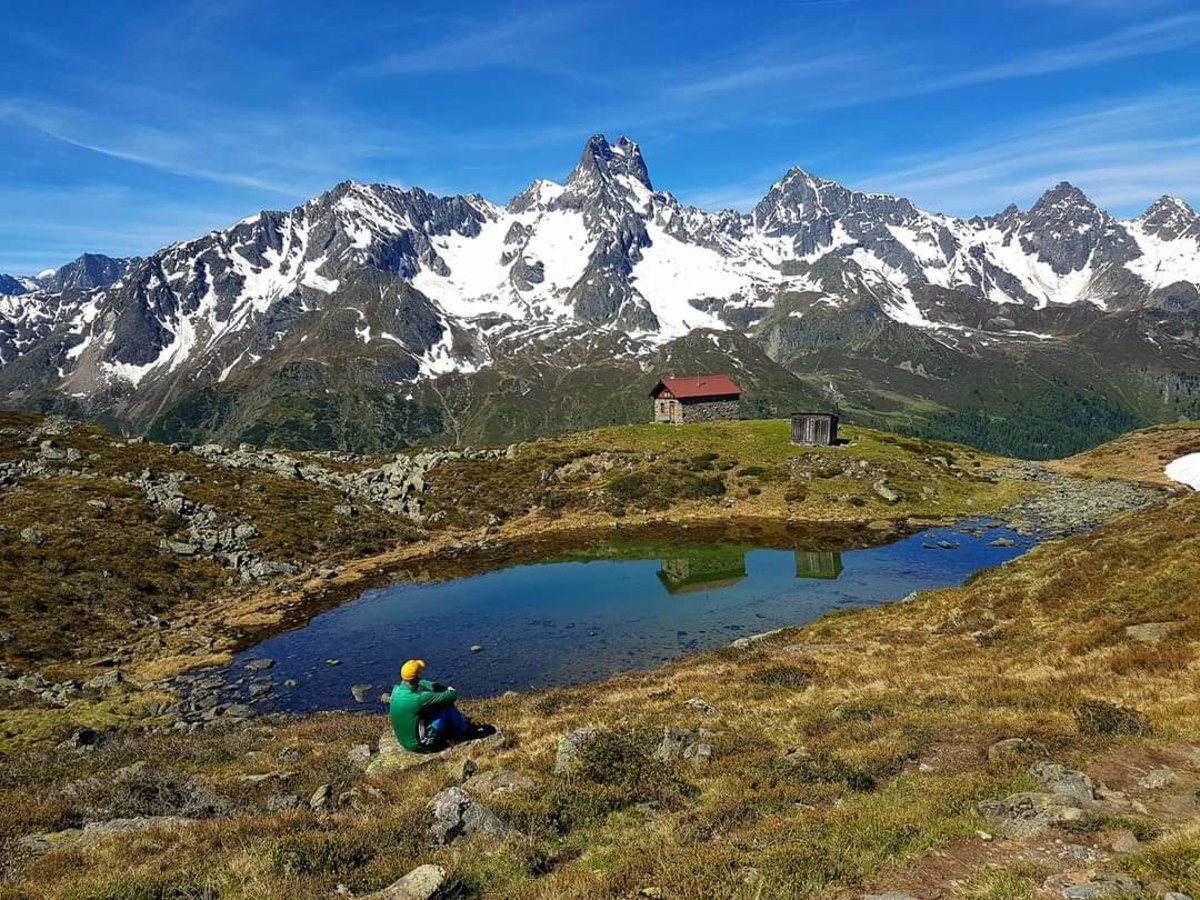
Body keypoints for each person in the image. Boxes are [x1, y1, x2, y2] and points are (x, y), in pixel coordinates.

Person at [389, 659, 472, 752]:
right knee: (445, 708)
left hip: (404, 741)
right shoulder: (419, 698)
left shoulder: (395, 690)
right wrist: (444, 688)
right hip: (420, 745)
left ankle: (460, 728)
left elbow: (418, 683)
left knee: (433, 710)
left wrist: (429, 684)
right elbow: (452, 695)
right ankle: (463, 730)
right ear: (417, 677)